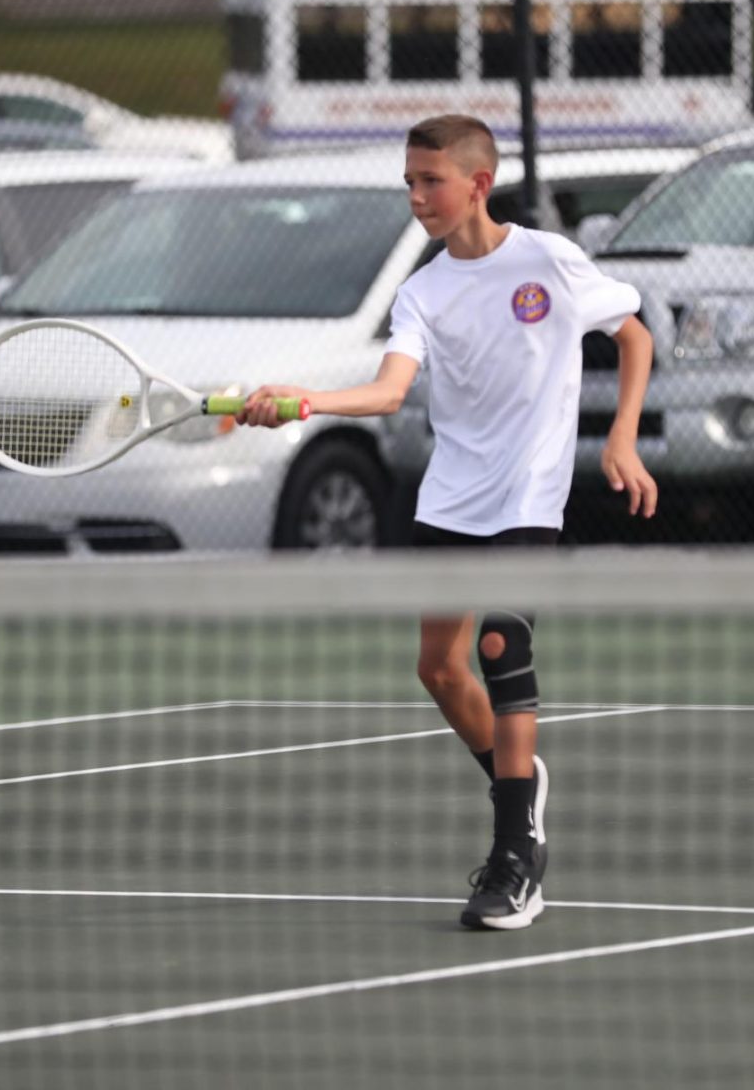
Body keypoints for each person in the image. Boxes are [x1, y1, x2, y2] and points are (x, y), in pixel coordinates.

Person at [238, 114, 657, 930]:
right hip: (452, 498)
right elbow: (391, 391)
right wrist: (304, 400)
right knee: (438, 668)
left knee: (502, 644)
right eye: (409, 182)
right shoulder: (422, 292)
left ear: (477, 183)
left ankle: (514, 858)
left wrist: (621, 436)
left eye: (430, 181)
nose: (417, 196)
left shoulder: (548, 260)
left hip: (530, 494)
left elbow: (633, 336)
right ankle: (520, 777)